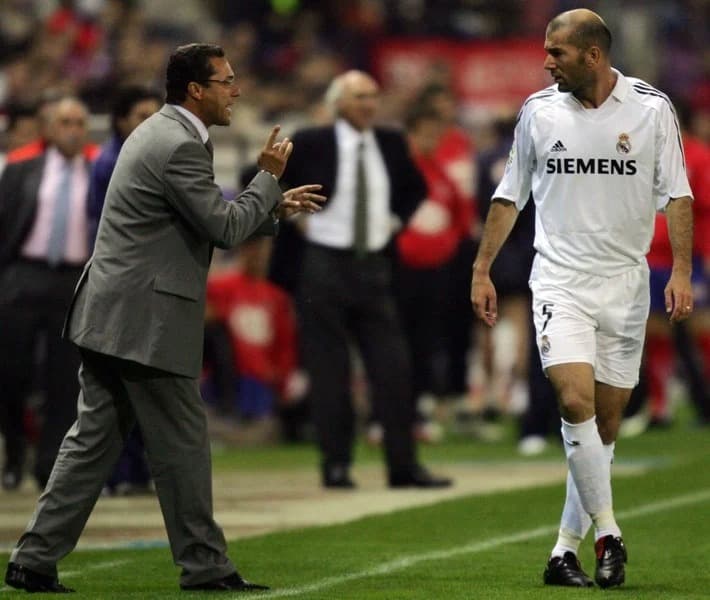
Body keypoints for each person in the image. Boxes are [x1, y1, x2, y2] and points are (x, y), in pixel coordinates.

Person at [4, 42, 324, 594]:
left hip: (113, 313)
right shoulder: (178, 144)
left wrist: (270, 207)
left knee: (91, 444)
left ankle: (32, 559)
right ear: (196, 90)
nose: (236, 90)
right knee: (182, 445)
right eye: (225, 81)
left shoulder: (161, 134)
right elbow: (222, 229)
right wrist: (267, 179)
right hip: (144, 321)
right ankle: (205, 566)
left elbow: (209, 217)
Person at [470, 9, 693, 590]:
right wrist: (482, 268)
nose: (546, 63)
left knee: (602, 431)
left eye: (557, 53)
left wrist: (682, 272)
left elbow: (678, 195)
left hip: (625, 284)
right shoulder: (538, 112)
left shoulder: (651, 109)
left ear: (593, 55)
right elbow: (508, 195)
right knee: (573, 403)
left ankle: (563, 551)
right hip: (560, 281)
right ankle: (610, 533)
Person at [281, 70, 452, 489]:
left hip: (375, 264)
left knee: (394, 369)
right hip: (324, 261)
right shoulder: (311, 141)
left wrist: (394, 221)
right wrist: (293, 218)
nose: (369, 104)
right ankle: (336, 464)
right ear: (338, 102)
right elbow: (266, 175)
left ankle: (402, 465)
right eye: (360, 97)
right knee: (329, 372)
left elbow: (415, 188)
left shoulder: (391, 142)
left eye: (373, 97)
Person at [0, 96, 94, 492]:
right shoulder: (21, 170)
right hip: (25, 273)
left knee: (64, 378)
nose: (73, 130)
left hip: (72, 279)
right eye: (65, 122)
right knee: (12, 373)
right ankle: (14, 453)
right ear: (49, 128)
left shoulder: (96, 172)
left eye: (79, 122)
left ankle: (49, 462)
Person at [89, 85, 162, 496]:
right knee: (123, 382)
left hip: (130, 281)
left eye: (155, 115)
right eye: (140, 116)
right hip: (125, 283)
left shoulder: (120, 158)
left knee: (130, 382)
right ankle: (122, 472)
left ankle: (130, 472)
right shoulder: (117, 162)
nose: (149, 124)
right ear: (120, 121)